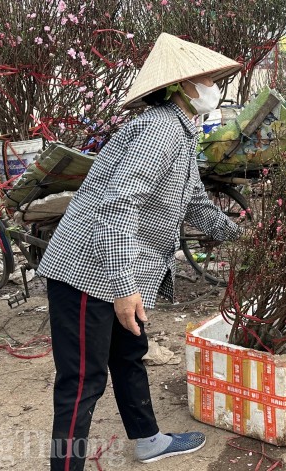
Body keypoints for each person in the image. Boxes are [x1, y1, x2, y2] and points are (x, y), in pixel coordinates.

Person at [37, 33, 244, 470]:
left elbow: (193, 203)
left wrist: (244, 236)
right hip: (88, 271)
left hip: (117, 271)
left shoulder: (182, 133)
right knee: (82, 382)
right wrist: (124, 286)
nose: (215, 87)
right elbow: (118, 206)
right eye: (208, 79)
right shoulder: (159, 131)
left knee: (129, 355)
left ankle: (148, 439)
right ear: (184, 85)